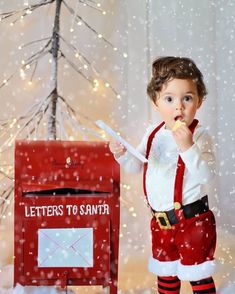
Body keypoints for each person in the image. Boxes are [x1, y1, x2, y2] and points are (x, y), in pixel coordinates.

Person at [109, 56, 217, 294]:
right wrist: (122, 154)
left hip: (193, 221)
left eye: (187, 98)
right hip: (161, 222)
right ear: (156, 102)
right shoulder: (153, 133)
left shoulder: (200, 135)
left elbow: (206, 176)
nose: (179, 106)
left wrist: (188, 147)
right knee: (166, 273)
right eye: (169, 99)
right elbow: (137, 165)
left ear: (199, 101)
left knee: (198, 274)